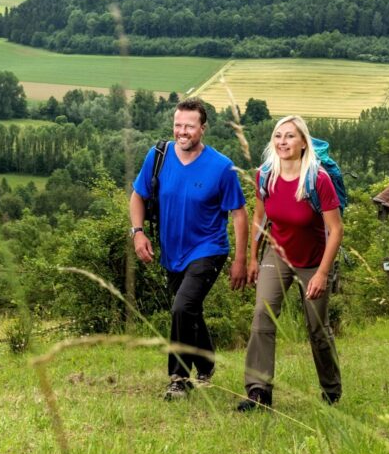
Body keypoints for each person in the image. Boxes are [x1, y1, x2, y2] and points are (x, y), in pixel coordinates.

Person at [130, 98, 248, 401]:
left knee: (181, 308)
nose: (182, 132)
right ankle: (206, 365)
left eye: (189, 126)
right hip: (172, 251)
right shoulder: (158, 156)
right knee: (189, 310)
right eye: (177, 125)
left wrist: (240, 259)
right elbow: (138, 196)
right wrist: (138, 233)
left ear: (203, 128)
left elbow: (238, 214)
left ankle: (178, 378)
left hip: (209, 249)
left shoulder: (221, 167)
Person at [238, 115, 344, 411]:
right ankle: (258, 392)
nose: (282, 142)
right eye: (278, 136)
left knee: (317, 328)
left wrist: (322, 273)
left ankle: (331, 390)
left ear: (302, 144)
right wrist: (252, 258)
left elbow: (336, 230)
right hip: (278, 254)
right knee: (262, 316)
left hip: (315, 260)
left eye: (290, 137)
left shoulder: (317, 180)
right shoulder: (265, 175)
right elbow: (259, 218)